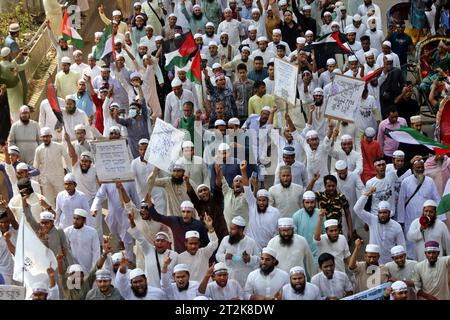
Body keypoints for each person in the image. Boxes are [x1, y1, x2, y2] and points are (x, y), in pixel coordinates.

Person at [397, 158, 441, 259]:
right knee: (411, 240)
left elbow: (436, 199)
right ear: (413, 168)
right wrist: (401, 220)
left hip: (427, 218)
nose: (420, 169)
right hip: (410, 218)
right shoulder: (406, 182)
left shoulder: (430, 181)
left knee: (426, 239)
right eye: (418, 167)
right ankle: (412, 260)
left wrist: (440, 217)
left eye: (422, 167)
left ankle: (425, 258)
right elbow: (401, 202)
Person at [353, 189, 406, 264]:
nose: (382, 215)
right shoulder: (372, 220)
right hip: (373, 260)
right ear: (378, 213)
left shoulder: (396, 226)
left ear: (389, 213)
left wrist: (403, 261)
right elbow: (357, 209)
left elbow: (402, 244)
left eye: (385, 212)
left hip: (390, 262)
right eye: (380, 213)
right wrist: (366, 195)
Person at [215, 216, 260, 287]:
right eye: (230, 228)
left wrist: (250, 258)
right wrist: (225, 256)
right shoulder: (225, 239)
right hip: (230, 276)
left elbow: (259, 259)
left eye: (233, 229)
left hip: (245, 276)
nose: (230, 231)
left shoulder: (251, 242)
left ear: (241, 230)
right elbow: (217, 255)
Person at [33, 128, 71, 207]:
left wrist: (70, 172)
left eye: (47, 136)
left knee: (62, 198)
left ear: (51, 136)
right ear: (41, 137)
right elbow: (36, 165)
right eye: (44, 137)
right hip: (45, 179)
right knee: (48, 201)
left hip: (58, 177)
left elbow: (67, 158)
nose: (45, 139)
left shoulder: (58, 146)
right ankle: (52, 217)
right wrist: (35, 180)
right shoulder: (38, 149)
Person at [177, 218, 218, 282]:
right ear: (185, 244)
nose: (193, 246)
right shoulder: (179, 257)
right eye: (191, 243)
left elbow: (214, 243)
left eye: (195, 243)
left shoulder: (204, 253)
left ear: (199, 243)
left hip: (206, 287)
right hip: (190, 289)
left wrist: (210, 228)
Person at [64, 208, 100, 274]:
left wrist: (94, 268)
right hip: (74, 267)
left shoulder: (92, 232)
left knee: (89, 283)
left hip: (89, 266)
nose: (74, 221)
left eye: (78, 219)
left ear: (84, 220)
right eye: (74, 218)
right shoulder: (67, 231)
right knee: (76, 284)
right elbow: (66, 249)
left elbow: (96, 251)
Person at [292, 191, 322, 262]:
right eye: (307, 203)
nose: (310, 205)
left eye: (312, 202)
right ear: (303, 203)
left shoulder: (320, 214)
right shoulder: (296, 216)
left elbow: (324, 233)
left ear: (315, 203)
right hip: (302, 252)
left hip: (319, 252)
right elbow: (295, 236)